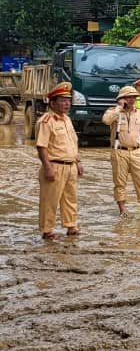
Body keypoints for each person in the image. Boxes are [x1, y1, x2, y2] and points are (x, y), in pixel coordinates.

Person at [35, 81, 84, 239]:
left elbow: (72, 143)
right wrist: (48, 167)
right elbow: (41, 146)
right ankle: (47, 230)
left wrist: (78, 162)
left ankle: (71, 226)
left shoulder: (67, 120)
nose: (67, 103)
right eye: (63, 100)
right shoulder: (46, 121)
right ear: (52, 102)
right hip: (55, 166)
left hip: (70, 166)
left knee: (70, 198)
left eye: (68, 100)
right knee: (50, 200)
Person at [103, 85, 140, 217]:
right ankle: (122, 208)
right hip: (119, 151)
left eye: (134, 98)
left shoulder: (139, 113)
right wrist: (119, 108)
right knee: (119, 182)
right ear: (122, 98)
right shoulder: (114, 112)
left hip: (137, 151)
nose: (131, 100)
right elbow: (106, 120)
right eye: (128, 97)